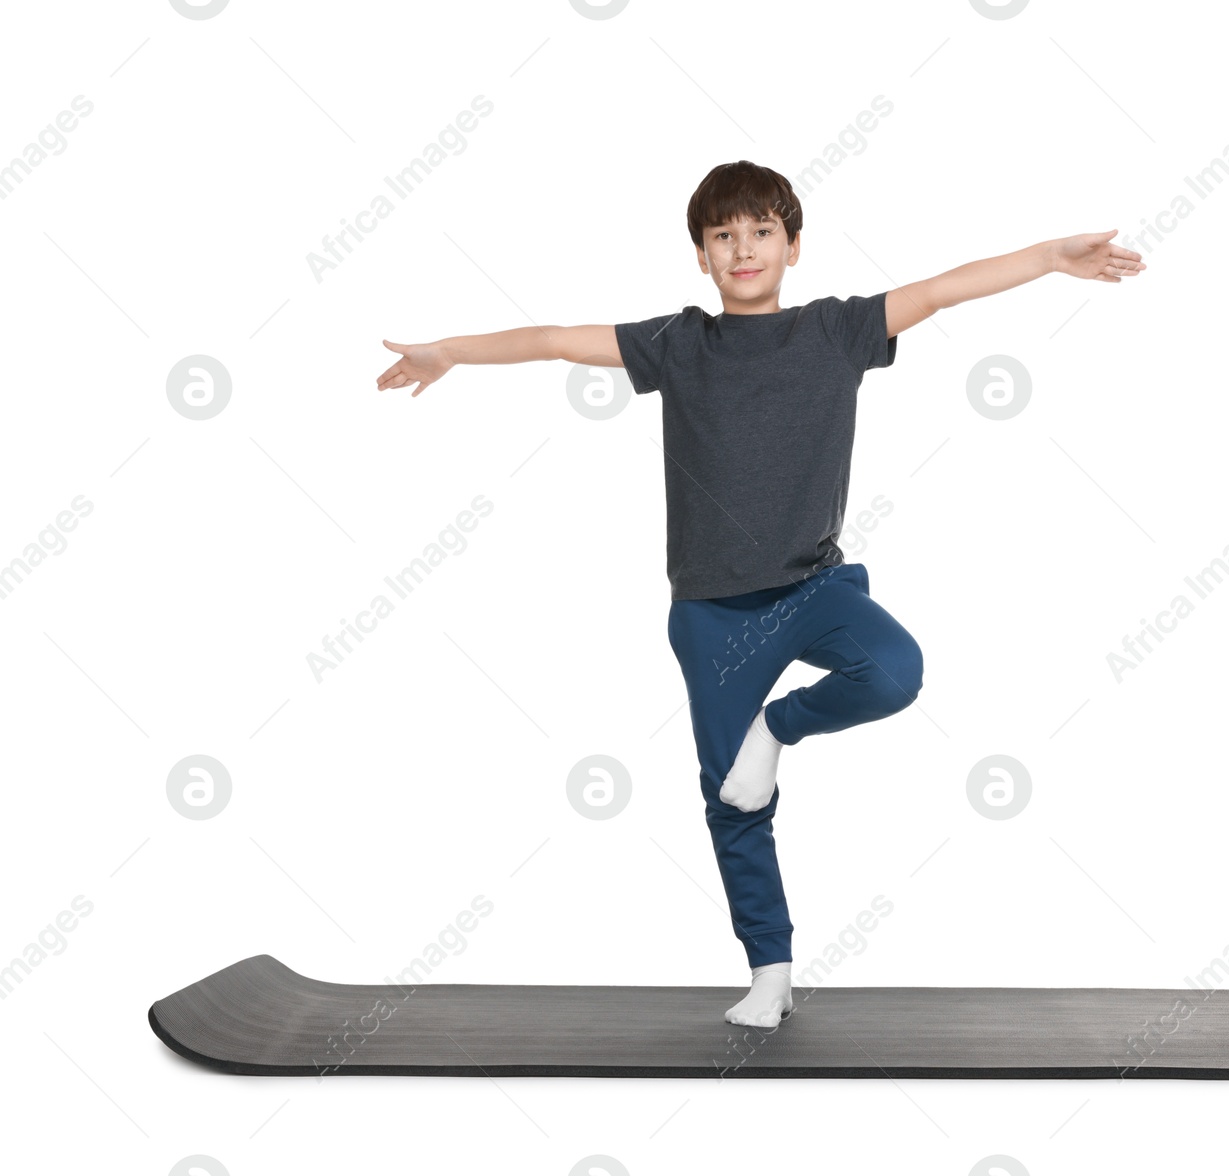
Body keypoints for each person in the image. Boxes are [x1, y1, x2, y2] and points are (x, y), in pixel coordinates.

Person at [375, 160, 1146, 1029]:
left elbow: (941, 291)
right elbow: (554, 338)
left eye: (761, 232)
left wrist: (1048, 255)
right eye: (723, 237)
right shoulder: (679, 342)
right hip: (712, 614)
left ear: (794, 245)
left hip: (813, 588)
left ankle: (775, 730)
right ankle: (771, 971)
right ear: (702, 257)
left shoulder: (836, 331)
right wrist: (448, 352)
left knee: (894, 673)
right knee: (733, 799)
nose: (743, 248)